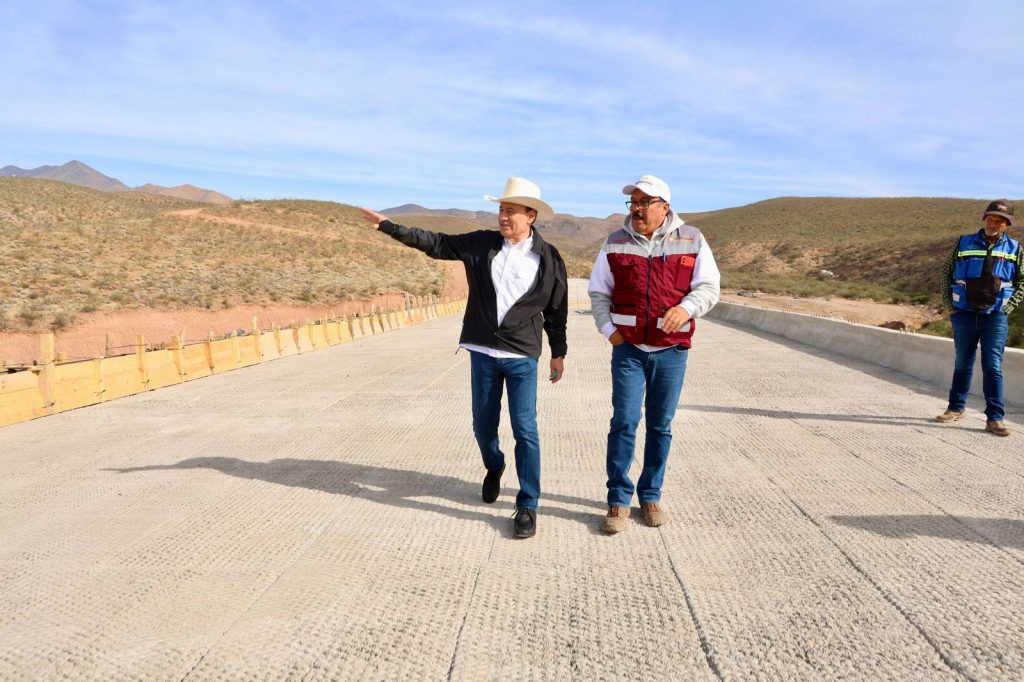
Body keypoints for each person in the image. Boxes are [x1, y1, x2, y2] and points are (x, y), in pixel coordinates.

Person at [360, 177, 568, 538]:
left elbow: (556, 309)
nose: (503, 217)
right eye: (501, 210)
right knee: (483, 428)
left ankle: (527, 504)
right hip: (483, 354)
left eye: (511, 211)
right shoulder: (482, 243)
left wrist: (558, 352)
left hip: (521, 355)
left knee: (525, 429)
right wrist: (390, 227)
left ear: (531, 215)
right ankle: (495, 465)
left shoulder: (548, 257)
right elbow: (437, 243)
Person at [588, 175, 720, 533]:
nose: (637, 209)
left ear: (665, 207)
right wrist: (609, 331)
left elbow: (709, 287)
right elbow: (599, 292)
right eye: (633, 202)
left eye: (645, 202)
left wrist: (687, 308)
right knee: (624, 421)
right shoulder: (615, 242)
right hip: (628, 349)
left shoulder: (691, 239)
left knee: (660, 425)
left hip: (671, 351)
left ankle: (650, 495)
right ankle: (618, 500)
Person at [936, 200, 1023, 436]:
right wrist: (949, 305)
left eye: (999, 222)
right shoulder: (964, 242)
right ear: (984, 219)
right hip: (964, 313)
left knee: (992, 366)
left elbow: (1022, 280)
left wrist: (1008, 307)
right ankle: (955, 409)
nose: (993, 224)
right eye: (990, 219)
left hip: (995, 316)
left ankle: (995, 418)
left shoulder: (1015, 249)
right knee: (962, 363)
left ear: (1007, 224)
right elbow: (946, 273)